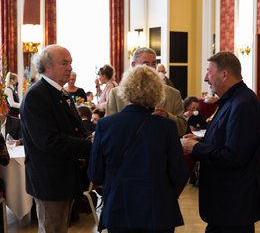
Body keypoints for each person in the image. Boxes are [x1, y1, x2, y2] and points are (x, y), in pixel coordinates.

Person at [181, 52, 260, 233]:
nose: (205, 78)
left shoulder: (243, 103)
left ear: (224, 74)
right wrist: (202, 139)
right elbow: (228, 138)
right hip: (227, 204)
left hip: (234, 204)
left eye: (209, 72)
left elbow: (234, 156)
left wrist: (197, 148)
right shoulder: (234, 99)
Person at [88, 65, 189, 233]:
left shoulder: (105, 125)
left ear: (125, 90)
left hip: (119, 208)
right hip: (157, 208)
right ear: (158, 93)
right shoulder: (167, 127)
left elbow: (95, 173)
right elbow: (179, 173)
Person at [20, 44, 92, 233]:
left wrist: (90, 137)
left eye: (70, 63)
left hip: (64, 176)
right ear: (47, 66)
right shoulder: (37, 95)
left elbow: (75, 127)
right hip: (50, 179)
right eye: (64, 63)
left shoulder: (61, 92)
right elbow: (48, 140)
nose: (70, 68)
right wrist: (88, 145)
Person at [106, 47, 187, 137]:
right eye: (146, 64)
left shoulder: (173, 94)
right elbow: (109, 127)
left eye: (154, 64)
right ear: (133, 65)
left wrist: (167, 116)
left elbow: (182, 129)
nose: (151, 68)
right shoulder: (116, 93)